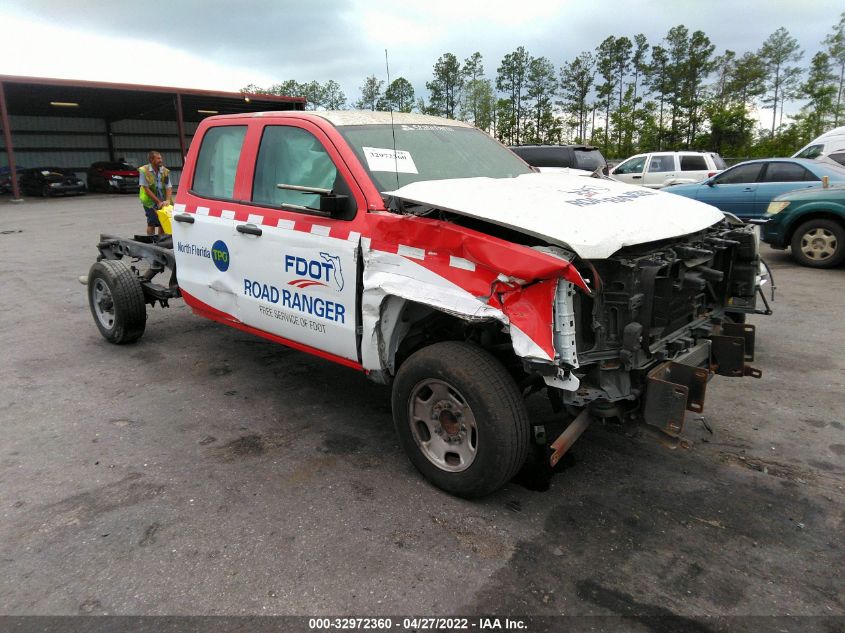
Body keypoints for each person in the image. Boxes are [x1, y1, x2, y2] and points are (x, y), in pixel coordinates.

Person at [138, 151, 172, 236]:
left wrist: (167, 200)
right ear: (151, 160)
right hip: (149, 201)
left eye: (161, 158)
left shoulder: (164, 171)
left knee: (163, 222)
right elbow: (146, 188)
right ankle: (151, 241)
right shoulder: (144, 170)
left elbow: (168, 186)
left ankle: (160, 241)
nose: (161, 160)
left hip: (162, 199)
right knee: (152, 222)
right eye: (158, 158)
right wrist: (158, 202)